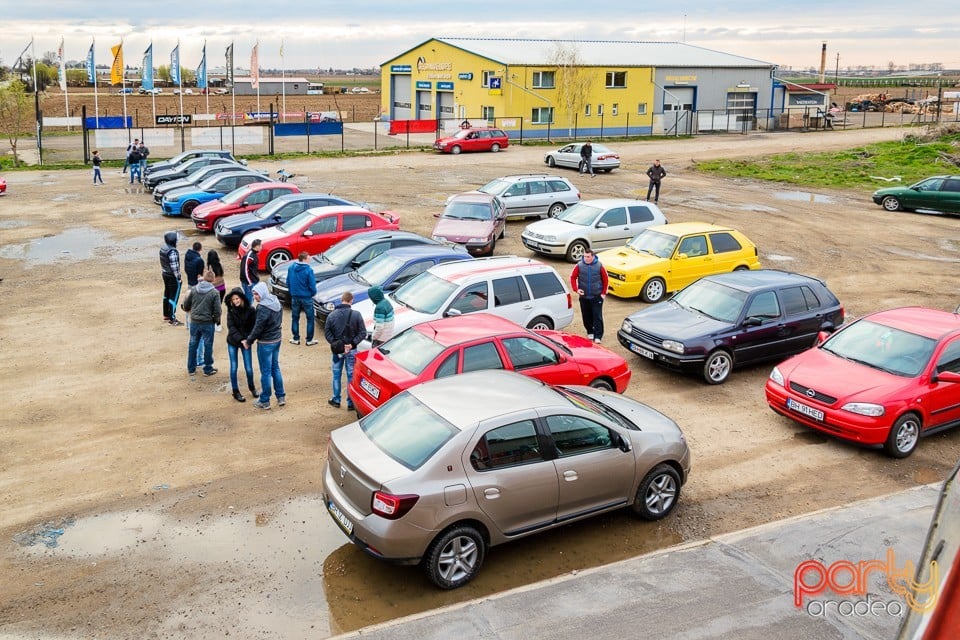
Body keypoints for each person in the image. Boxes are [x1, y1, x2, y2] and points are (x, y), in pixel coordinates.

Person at [242, 282, 285, 410]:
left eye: (256, 294)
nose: (255, 297)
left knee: (265, 372)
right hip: (277, 339)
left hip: (266, 343)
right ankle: (281, 396)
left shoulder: (262, 308)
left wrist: (248, 341)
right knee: (275, 368)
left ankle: (265, 400)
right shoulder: (276, 302)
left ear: (262, 293)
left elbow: (258, 328)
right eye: (254, 294)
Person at [324, 291, 366, 410]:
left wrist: (337, 344)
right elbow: (362, 332)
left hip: (337, 351)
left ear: (341, 299)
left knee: (336, 375)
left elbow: (327, 334)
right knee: (350, 375)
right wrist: (351, 344)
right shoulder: (356, 315)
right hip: (351, 350)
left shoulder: (331, 315)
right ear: (351, 300)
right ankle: (350, 402)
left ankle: (336, 399)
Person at [182, 270, 221, 379]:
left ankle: (191, 368)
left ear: (203, 278)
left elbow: (186, 304)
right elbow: (217, 310)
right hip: (207, 323)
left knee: (192, 344)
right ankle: (207, 368)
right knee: (208, 346)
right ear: (213, 279)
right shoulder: (214, 293)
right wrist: (215, 320)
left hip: (194, 321)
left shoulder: (194, 289)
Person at [225, 287, 258, 402]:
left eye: (237, 298)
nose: (235, 301)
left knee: (249, 368)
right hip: (233, 341)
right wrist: (241, 340)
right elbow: (231, 328)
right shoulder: (231, 311)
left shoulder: (251, 310)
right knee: (234, 367)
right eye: (233, 300)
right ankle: (235, 391)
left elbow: (254, 327)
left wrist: (248, 340)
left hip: (246, 341)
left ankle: (252, 387)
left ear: (242, 298)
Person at [569, 248, 608, 343]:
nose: (586, 258)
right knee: (586, 316)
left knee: (597, 316)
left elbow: (606, 279)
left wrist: (603, 293)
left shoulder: (599, 266)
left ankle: (598, 336)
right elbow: (572, 277)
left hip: (596, 296)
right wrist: (576, 289)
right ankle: (590, 331)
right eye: (584, 256)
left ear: (592, 256)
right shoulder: (579, 265)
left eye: (588, 256)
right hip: (584, 297)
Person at [288, 251, 318, 346]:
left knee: (295, 318)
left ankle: (296, 338)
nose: (310, 260)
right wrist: (313, 293)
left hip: (295, 296)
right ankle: (309, 340)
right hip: (306, 297)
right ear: (304, 259)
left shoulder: (291, 267)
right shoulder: (308, 270)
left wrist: (292, 291)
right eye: (308, 258)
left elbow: (288, 281)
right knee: (310, 318)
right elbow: (312, 285)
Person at [160, 231, 183, 326]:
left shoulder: (163, 247)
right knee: (174, 296)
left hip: (165, 273)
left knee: (167, 294)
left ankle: (166, 314)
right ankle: (172, 318)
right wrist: (178, 277)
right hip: (172, 276)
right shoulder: (172, 251)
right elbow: (175, 267)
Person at [207, 250, 226, 332]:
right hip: (222, 289)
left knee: (212, 307)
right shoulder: (220, 265)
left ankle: (214, 323)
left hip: (214, 290)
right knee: (218, 307)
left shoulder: (209, 267)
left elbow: (209, 279)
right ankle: (218, 324)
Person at [240, 239, 261, 305]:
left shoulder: (253, 254)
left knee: (251, 299)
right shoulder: (249, 256)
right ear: (257, 246)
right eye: (260, 246)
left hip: (252, 280)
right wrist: (249, 282)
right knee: (249, 300)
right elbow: (244, 269)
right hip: (249, 282)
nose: (261, 247)